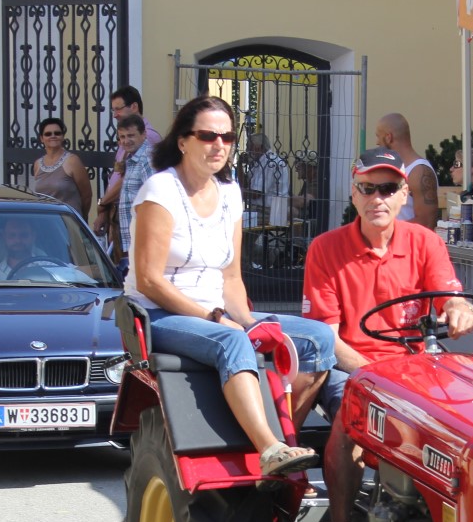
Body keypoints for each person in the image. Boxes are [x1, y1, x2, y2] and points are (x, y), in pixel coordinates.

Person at [127, 95, 336, 476]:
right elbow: (149, 280)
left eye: (227, 137)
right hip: (160, 314)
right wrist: (218, 319)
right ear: (183, 141)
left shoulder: (230, 194)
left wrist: (248, 320)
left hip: (217, 312)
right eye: (208, 135)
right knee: (232, 341)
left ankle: (286, 434)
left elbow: (232, 278)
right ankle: (268, 447)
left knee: (318, 338)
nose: (219, 145)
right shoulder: (160, 191)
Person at [302, 147, 473, 522]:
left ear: (403, 196)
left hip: (415, 368)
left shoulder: (425, 242)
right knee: (349, 425)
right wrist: (374, 376)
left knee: (465, 428)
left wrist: (461, 310)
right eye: (367, 188)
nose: (376, 198)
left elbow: (452, 299)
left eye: (388, 188)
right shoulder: (326, 249)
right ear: (353, 194)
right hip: (353, 367)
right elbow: (327, 338)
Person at [92, 85, 161, 241]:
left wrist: (102, 203)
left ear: (134, 106)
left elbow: (129, 181)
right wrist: (104, 209)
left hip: (138, 225)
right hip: (119, 215)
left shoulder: (146, 138)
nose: (115, 115)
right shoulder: (128, 139)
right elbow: (119, 174)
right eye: (113, 111)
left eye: (118, 109)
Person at [374, 112, 440, 230]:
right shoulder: (393, 168)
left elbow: (426, 222)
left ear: (389, 137)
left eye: (378, 136)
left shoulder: (419, 171)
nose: (377, 142)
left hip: (409, 245)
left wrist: (386, 231)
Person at [29, 116, 93, 219]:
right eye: (48, 134)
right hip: (45, 220)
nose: (53, 136)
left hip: (67, 221)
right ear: (41, 138)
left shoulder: (73, 161)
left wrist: (81, 218)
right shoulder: (38, 164)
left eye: (57, 133)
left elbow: (87, 195)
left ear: (63, 136)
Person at [113, 112, 153, 264]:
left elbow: (153, 200)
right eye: (122, 137)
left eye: (131, 135)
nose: (126, 141)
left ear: (144, 134)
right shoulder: (132, 158)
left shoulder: (147, 159)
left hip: (144, 239)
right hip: (134, 239)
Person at [0, 217, 51, 281]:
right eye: (12, 235)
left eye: (24, 235)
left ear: (33, 236)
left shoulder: (51, 269)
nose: (18, 240)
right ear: (4, 237)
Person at [241, 132, 289, 229]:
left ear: (258, 147)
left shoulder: (270, 162)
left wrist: (236, 192)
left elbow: (256, 194)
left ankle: (245, 244)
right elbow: (245, 184)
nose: (247, 150)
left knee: (235, 224)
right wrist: (239, 164)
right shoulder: (260, 162)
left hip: (269, 211)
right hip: (260, 209)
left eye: (249, 147)